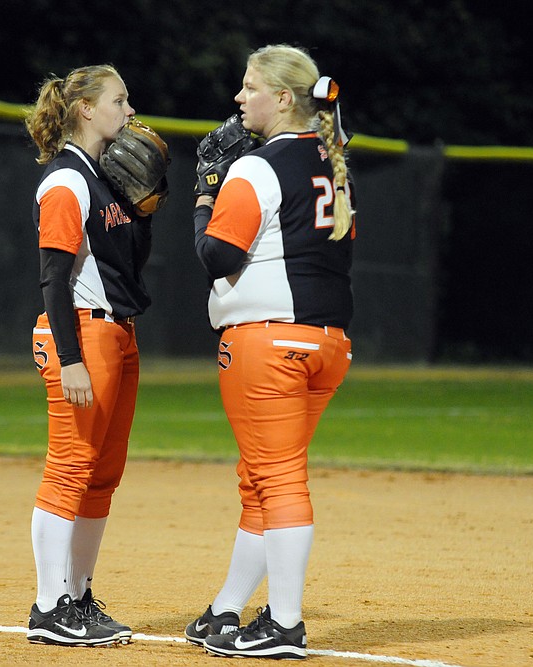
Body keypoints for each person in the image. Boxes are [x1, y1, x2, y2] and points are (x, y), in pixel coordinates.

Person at [185, 44, 356, 660]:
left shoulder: (257, 167)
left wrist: (204, 194)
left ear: (284, 98)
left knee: (277, 480)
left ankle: (284, 622)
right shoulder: (332, 161)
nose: (238, 98)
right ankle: (226, 609)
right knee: (260, 478)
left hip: (270, 340)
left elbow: (218, 257)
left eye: (250, 86)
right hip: (327, 342)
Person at [23, 64, 153, 647]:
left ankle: (77, 595)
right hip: (81, 333)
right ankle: (49, 605)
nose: (129, 112)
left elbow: (126, 265)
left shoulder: (103, 180)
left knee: (102, 475)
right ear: (85, 109)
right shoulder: (65, 183)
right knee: (71, 467)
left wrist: (146, 206)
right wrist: (70, 357)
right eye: (120, 101)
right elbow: (53, 279)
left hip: (119, 334)